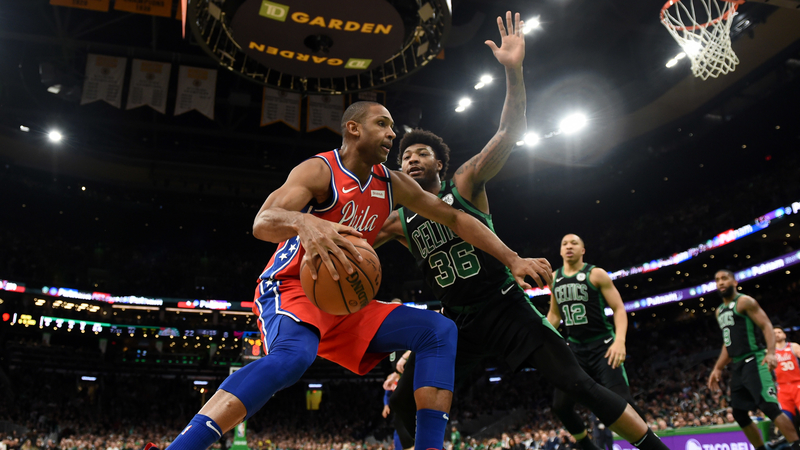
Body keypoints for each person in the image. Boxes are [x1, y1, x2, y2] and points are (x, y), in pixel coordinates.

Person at [154, 91, 551, 450]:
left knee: (439, 330)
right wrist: (305, 222)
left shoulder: (392, 183)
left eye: (394, 127)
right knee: (294, 359)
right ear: (353, 128)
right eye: (384, 124)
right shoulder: (319, 170)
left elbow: (456, 219)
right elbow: (263, 222)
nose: (393, 134)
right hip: (295, 287)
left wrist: (512, 258)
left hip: (347, 300)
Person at [376, 11, 670, 450]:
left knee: (580, 386)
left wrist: (513, 71)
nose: (411, 161)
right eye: (405, 157)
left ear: (441, 163)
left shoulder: (466, 184)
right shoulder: (397, 221)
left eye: (421, 154)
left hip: (504, 307)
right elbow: (352, 237)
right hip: (456, 321)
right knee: (401, 401)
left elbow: (510, 131)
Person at [546, 234, 639, 450]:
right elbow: (554, 315)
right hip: (575, 349)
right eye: (564, 244)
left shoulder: (596, 274)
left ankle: (651, 444)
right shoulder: (555, 278)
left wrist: (620, 341)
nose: (569, 246)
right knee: (560, 405)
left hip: (604, 346)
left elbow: (619, 309)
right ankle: (586, 445)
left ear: (583, 250)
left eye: (574, 243)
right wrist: (539, 336)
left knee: (624, 402)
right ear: (560, 251)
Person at [707, 270, 800, 450]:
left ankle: (796, 445)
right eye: (717, 279)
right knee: (739, 414)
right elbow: (728, 343)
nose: (720, 282)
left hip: (755, 360)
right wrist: (717, 368)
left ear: (734, 282)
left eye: (724, 278)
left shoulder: (744, 302)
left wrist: (771, 352)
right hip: (737, 365)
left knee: (769, 407)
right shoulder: (719, 311)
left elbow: (766, 325)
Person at [774, 325, 800, 423]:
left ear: (784, 335)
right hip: (782, 387)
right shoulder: (769, 352)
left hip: (797, 384)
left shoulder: (794, 346)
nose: (777, 334)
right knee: (786, 419)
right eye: (774, 333)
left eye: (779, 332)